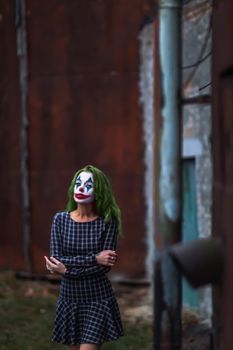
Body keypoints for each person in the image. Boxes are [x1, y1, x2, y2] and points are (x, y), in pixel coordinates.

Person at [44, 165, 124, 350]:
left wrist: (67, 270)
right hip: (70, 299)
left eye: (88, 185)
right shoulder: (60, 219)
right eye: (78, 183)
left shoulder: (107, 221)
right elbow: (57, 259)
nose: (81, 188)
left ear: (99, 192)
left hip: (97, 299)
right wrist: (95, 258)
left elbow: (105, 267)